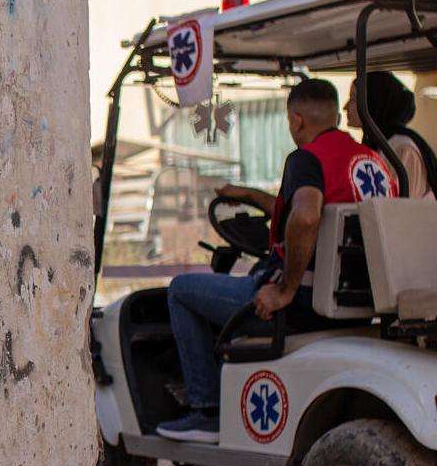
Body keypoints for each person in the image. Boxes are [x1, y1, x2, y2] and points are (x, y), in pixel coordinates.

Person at [158, 78, 399, 443]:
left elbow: (306, 217)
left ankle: (205, 411)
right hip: (357, 303)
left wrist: (284, 289)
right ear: (335, 116)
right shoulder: (374, 161)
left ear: (296, 120)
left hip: (300, 304)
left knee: (180, 290)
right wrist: (249, 195)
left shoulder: (306, 158)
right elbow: (306, 209)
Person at [344, 71, 437, 200]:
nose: (345, 107)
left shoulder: (402, 148)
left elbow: (401, 205)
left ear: (374, 102)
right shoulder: (377, 144)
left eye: (353, 99)